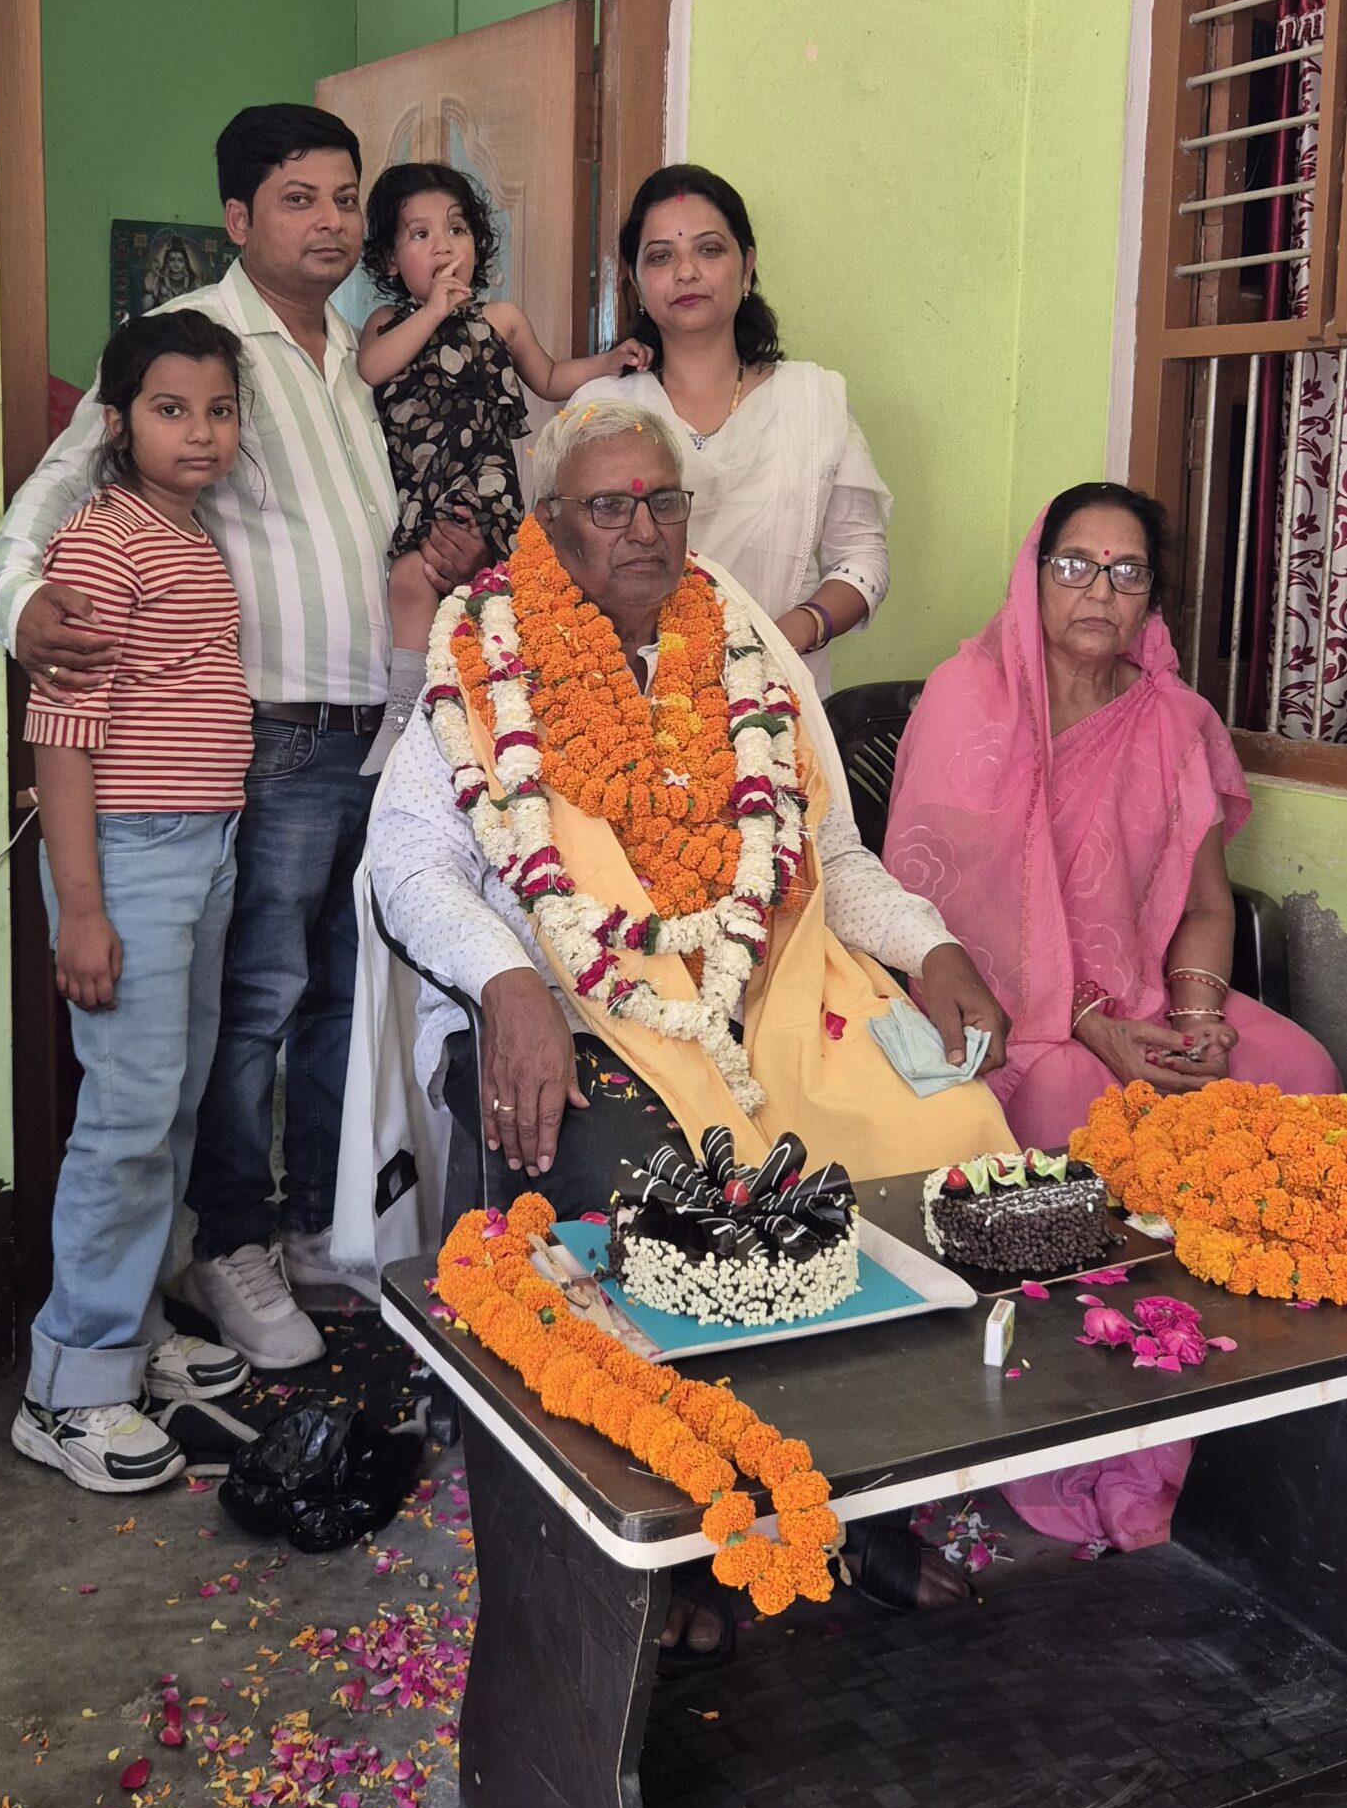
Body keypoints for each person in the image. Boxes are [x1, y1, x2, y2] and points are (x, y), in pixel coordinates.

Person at [366, 399, 1013, 1628]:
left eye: (663, 500)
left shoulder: (745, 639)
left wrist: (931, 948)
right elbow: (407, 861)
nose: (643, 528)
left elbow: (830, 852)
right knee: (658, 1198)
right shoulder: (485, 642)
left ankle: (863, 1503)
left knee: (945, 1134)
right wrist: (507, 981)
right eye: (608, 506)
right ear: (551, 524)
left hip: (777, 990)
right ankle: (662, 1544)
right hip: (579, 1009)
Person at [0, 105, 485, 1368]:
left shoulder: (359, 347)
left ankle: (312, 1227)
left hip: (378, 733)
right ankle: (230, 1241)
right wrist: (21, 601)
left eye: (346, 198)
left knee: (339, 999)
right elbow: (53, 498)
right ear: (238, 217)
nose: (333, 222)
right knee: (250, 1011)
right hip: (260, 742)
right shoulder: (196, 344)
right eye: (299, 199)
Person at [884, 480, 1340, 1554]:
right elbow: (941, 912)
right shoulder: (967, 700)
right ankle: (1071, 1426)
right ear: (1033, 576)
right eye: (1074, 565)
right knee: (1069, 1110)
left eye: (1125, 571)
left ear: (1150, 598)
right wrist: (1089, 1020)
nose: (1098, 589)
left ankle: (1243, 1388)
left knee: (1303, 1072)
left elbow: (1208, 907)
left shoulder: (1171, 721)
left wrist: (1198, 1015)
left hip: (1148, 991)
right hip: (1011, 1010)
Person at [13, 310, 253, 1493]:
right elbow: (61, 734)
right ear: (116, 423)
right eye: (170, 409)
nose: (199, 431)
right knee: (125, 1118)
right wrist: (84, 908)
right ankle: (70, 1385)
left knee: (172, 1102)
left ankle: (138, 1330)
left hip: (203, 849)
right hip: (130, 858)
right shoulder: (102, 540)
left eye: (219, 409)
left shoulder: (187, 532)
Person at [356, 161, 650, 741]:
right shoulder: (386, 322)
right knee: (410, 581)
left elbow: (551, 377)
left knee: (488, 599)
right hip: (417, 488)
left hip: (482, 481)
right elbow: (372, 367)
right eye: (420, 234)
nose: (444, 246)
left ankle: (492, 720)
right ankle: (407, 717)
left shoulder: (501, 318)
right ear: (390, 259)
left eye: (457, 229)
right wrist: (434, 310)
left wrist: (609, 360)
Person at [568, 165, 891, 688]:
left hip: (779, 696)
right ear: (634, 281)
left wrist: (782, 638)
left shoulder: (811, 402)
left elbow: (862, 558)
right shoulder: (599, 410)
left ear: (747, 268)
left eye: (709, 249)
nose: (687, 272)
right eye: (661, 256)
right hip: (620, 699)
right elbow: (555, 559)